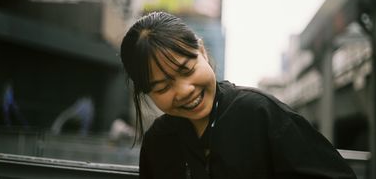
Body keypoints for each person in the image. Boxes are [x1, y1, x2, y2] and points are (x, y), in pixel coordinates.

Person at [120, 11, 357, 179]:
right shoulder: (157, 142)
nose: (184, 90)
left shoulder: (259, 113)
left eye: (186, 70)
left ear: (201, 51)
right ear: (146, 93)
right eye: (162, 87)